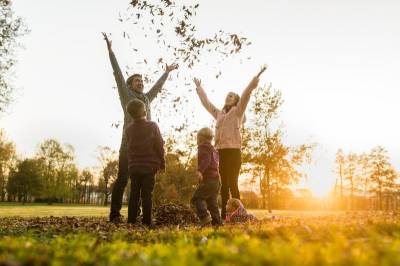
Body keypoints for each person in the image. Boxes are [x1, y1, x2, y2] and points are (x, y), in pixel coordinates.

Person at [102, 33, 178, 223]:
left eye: (142, 81)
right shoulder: (127, 95)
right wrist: (111, 52)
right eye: (137, 81)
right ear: (129, 86)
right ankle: (115, 214)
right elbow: (118, 74)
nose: (141, 83)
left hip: (146, 151)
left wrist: (167, 72)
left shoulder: (146, 99)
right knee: (122, 180)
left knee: (143, 184)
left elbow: (157, 88)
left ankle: (139, 216)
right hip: (128, 147)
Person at [193, 73, 260, 219]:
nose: (228, 97)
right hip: (221, 152)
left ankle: (240, 214)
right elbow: (207, 104)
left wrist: (253, 83)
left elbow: (246, 95)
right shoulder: (219, 114)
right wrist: (199, 88)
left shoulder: (238, 112)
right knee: (223, 185)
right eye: (227, 95)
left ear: (236, 100)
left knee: (233, 183)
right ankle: (224, 215)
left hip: (234, 152)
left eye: (231, 96)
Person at [125, 99, 165, 227]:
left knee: (134, 194)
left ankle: (131, 219)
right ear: (144, 111)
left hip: (134, 166)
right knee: (147, 194)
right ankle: (147, 221)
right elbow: (159, 145)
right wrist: (162, 162)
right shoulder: (152, 126)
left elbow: (128, 147)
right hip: (149, 166)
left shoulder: (129, 129)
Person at [191, 127, 222, 226]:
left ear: (200, 138)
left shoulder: (203, 147)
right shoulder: (214, 149)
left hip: (208, 180)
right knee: (212, 203)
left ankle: (204, 217)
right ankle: (217, 222)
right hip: (216, 181)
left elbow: (206, 160)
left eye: (197, 138)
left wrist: (200, 171)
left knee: (196, 198)